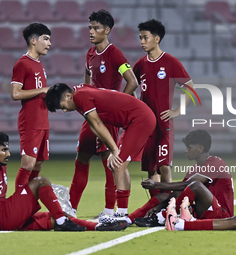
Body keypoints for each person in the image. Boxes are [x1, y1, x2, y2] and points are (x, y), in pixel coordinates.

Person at [44, 83, 156, 218]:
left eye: (63, 107)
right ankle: (122, 211)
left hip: (140, 119)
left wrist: (114, 150)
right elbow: (93, 126)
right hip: (135, 119)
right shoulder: (79, 93)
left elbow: (97, 123)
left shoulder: (80, 97)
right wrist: (112, 149)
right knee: (117, 164)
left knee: (118, 164)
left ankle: (120, 214)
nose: (65, 111)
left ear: (68, 96)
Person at [0, 132, 128, 232]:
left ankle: (99, 226)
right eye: (3, 150)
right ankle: (63, 221)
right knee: (41, 181)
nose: (8, 154)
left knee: (56, 216)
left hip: (4, 218)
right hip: (3, 216)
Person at [71, 9, 139, 219]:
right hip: (91, 116)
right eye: (90, 27)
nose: (91, 31)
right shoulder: (90, 54)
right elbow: (86, 82)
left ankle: (110, 211)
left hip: (107, 119)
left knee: (109, 162)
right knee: (81, 159)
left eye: (96, 28)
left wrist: (116, 106)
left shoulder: (114, 54)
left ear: (107, 30)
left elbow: (133, 81)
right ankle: (70, 209)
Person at [100, 130, 234, 226]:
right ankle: (128, 219)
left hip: (221, 215)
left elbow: (187, 186)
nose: (186, 150)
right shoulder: (194, 168)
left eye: (189, 147)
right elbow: (180, 191)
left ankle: (161, 218)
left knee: (195, 186)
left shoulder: (216, 163)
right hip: (204, 209)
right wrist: (161, 205)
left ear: (200, 148)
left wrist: (155, 185)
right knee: (163, 196)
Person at [133, 19, 195, 198]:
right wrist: (137, 109)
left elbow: (190, 87)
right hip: (146, 126)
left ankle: (170, 207)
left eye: (145, 37)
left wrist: (176, 110)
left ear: (157, 39)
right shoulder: (140, 64)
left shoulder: (170, 62)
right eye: (140, 38)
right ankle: (156, 208)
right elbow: (131, 86)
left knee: (164, 167)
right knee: (151, 171)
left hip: (163, 124)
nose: (142, 41)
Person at [10, 23, 51, 191]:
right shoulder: (22, 63)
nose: (49, 43)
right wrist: (42, 90)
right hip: (30, 121)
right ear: (33, 40)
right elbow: (15, 93)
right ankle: (18, 202)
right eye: (46, 39)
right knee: (28, 163)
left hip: (43, 121)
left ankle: (28, 201)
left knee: (38, 163)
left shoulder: (39, 64)